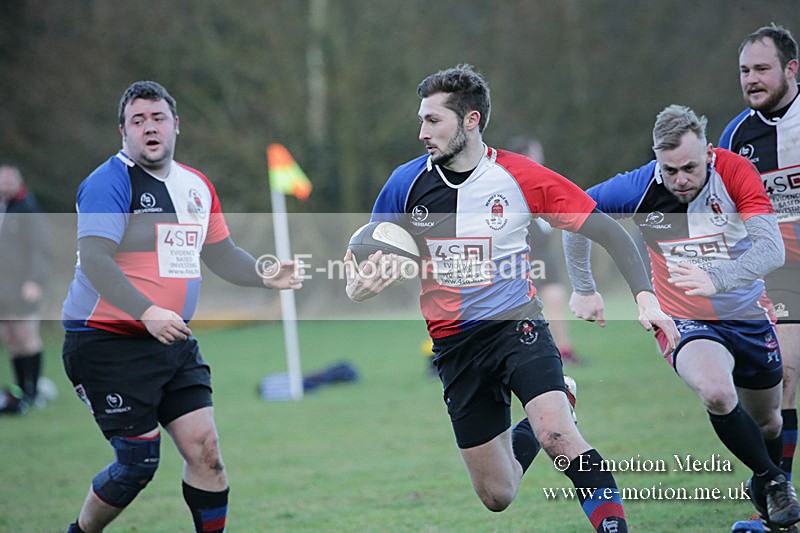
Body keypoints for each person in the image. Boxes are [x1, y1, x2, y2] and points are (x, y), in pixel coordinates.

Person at [344, 64, 679, 533]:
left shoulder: (521, 177)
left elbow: (606, 229)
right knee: (498, 495)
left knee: (559, 434)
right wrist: (355, 286)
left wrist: (645, 298)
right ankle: (556, 406)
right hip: (453, 346)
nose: (422, 132)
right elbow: (364, 254)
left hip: (516, 326)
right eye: (421, 120)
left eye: (433, 120)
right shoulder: (405, 184)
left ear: (471, 120)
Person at [61, 81, 303, 533]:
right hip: (106, 344)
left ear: (176, 126)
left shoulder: (196, 185)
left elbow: (221, 253)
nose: (149, 128)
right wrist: (146, 311)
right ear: (123, 132)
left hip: (171, 341)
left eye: (158, 118)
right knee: (137, 464)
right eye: (138, 121)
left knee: (206, 451)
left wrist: (265, 274)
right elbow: (94, 260)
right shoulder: (107, 183)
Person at [563, 104, 800, 530]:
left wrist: (718, 277)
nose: (680, 180)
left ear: (708, 153)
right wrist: (584, 288)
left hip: (748, 315)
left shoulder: (736, 173)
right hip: (683, 320)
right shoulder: (637, 187)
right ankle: (772, 478)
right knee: (716, 392)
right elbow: (575, 215)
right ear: (657, 158)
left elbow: (772, 250)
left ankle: (765, 477)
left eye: (690, 168)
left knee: (769, 420)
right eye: (669, 170)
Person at [718, 23, 800, 533]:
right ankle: (780, 506)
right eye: (745, 70)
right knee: (783, 376)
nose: (751, 78)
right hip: (784, 272)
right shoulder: (735, 137)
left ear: (792, 70)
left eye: (762, 69)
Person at [508, 136, 583, 365]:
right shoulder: (509, 189)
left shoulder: (543, 185)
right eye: (534, 155)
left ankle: (564, 352)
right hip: (523, 260)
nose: (540, 160)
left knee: (556, 300)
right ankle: (526, 355)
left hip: (545, 256)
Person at [0, 163, 52, 414]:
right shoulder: (4, 208)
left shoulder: (28, 208)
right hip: (3, 287)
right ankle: (22, 391)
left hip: (23, 285)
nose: (5, 185)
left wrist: (34, 280)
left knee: (26, 337)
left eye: (10, 180)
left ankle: (35, 391)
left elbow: (40, 248)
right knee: (11, 339)